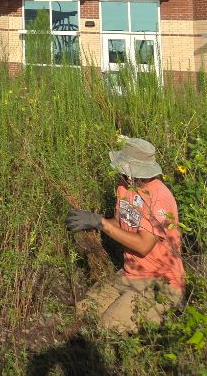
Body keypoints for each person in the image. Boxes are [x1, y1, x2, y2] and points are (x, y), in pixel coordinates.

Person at [66, 136, 186, 333]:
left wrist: (101, 223)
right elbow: (120, 223)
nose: (120, 172)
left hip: (161, 283)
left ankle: (167, 314)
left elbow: (143, 245)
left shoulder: (159, 198)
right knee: (84, 312)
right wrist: (94, 221)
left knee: (108, 327)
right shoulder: (124, 187)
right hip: (130, 274)